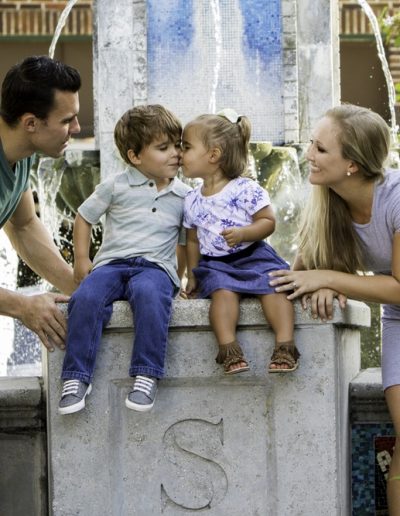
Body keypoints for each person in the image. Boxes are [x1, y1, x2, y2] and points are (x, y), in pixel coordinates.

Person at [268, 104, 400, 514]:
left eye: (321, 149)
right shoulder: (329, 205)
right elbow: (297, 277)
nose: (308, 153)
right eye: (312, 143)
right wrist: (316, 288)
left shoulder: (395, 199)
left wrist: (328, 278)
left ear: (352, 166)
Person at [58, 104, 191, 415]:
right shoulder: (116, 185)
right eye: (163, 148)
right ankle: (76, 378)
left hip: (155, 268)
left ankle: (146, 374)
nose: (175, 154)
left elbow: (185, 243)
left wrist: (181, 277)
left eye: (177, 146)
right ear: (135, 156)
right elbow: (84, 216)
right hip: (112, 265)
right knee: (86, 297)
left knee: (150, 296)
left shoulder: (185, 195)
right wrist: (81, 259)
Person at [181, 108, 299, 375]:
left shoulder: (245, 188)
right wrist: (192, 274)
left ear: (213, 155)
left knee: (275, 288)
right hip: (216, 265)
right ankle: (229, 350)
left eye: (186, 147)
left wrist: (244, 233)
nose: (179, 154)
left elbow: (268, 221)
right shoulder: (191, 199)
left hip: (254, 256)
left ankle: (284, 345)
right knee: (222, 295)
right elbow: (192, 240)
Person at [0, 55, 81, 352]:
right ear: (31, 123)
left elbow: (22, 225)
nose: (76, 128)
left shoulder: (20, 154)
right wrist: (22, 306)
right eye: (66, 120)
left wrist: (82, 287)